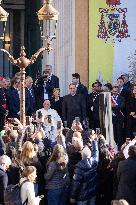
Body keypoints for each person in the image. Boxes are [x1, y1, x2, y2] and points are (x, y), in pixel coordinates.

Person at [70, 137, 99, 205]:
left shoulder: (79, 168)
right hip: (92, 193)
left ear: (81, 155)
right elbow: (96, 152)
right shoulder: (95, 162)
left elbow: (76, 184)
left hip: (82, 197)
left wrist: (72, 197)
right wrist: (94, 141)